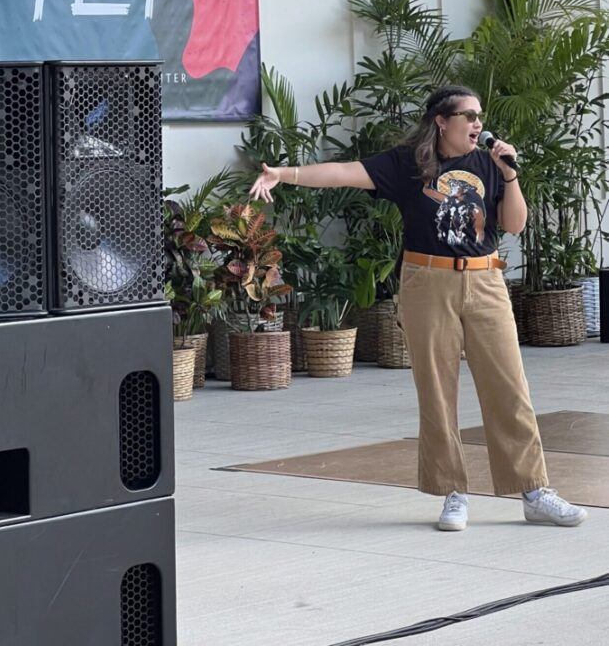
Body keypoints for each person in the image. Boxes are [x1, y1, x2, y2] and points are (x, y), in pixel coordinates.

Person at [249, 85, 587, 531]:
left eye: (479, 116)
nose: (477, 124)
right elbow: (345, 172)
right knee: (437, 389)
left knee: (509, 386)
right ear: (441, 122)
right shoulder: (409, 164)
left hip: (485, 279)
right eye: (468, 116)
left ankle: (533, 490)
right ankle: (453, 493)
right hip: (427, 281)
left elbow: (514, 224)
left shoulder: (490, 161)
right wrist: (284, 174)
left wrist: (510, 175)